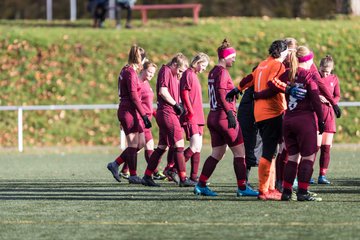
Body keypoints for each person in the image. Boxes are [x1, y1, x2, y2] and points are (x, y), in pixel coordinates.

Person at [226, 40, 307, 200]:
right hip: (272, 112)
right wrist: (289, 88)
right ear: (283, 52)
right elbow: (273, 82)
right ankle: (265, 190)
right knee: (269, 151)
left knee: (271, 152)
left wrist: (237, 88)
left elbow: (249, 78)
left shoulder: (263, 64)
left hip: (260, 113)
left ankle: (269, 187)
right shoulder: (277, 65)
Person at [193, 39, 258, 197]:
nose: (234, 59)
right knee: (240, 153)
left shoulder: (213, 71)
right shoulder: (222, 72)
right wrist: (230, 114)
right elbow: (221, 94)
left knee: (217, 153)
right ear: (225, 57)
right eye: (233, 56)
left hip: (214, 116)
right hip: (224, 117)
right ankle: (242, 188)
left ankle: (201, 184)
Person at [142, 53, 195, 187]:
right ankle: (183, 178)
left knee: (162, 147)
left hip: (167, 112)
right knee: (179, 145)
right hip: (167, 113)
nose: (181, 74)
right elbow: (163, 91)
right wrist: (175, 105)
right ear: (174, 65)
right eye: (180, 71)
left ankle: (147, 176)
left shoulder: (173, 74)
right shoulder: (165, 70)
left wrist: (179, 104)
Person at [280, 46, 324, 201]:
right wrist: (322, 120)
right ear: (308, 59)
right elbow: (316, 100)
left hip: (288, 119)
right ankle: (303, 192)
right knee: (308, 157)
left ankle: (286, 191)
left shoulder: (287, 73)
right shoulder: (308, 75)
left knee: (292, 157)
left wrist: (287, 89)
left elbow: (272, 83)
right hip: (304, 121)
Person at [107, 45, 152, 184]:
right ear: (140, 59)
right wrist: (144, 115)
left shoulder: (126, 69)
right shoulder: (130, 73)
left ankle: (115, 164)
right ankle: (133, 175)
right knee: (133, 144)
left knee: (141, 142)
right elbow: (134, 97)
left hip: (132, 110)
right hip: (128, 110)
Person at [119, 61, 166, 181]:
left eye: (153, 73)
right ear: (142, 69)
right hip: (140, 119)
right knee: (146, 145)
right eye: (149, 72)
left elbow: (148, 105)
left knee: (137, 146)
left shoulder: (146, 83)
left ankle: (123, 169)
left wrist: (156, 115)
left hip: (147, 119)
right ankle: (154, 172)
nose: (151, 75)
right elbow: (135, 102)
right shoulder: (137, 83)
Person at [180, 53, 210, 182]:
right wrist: (190, 111)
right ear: (197, 62)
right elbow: (184, 92)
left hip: (198, 116)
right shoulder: (188, 74)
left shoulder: (194, 75)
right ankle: (173, 169)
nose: (204, 69)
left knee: (198, 147)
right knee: (194, 146)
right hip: (192, 115)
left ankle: (193, 177)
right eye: (203, 65)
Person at [316, 55, 341, 184]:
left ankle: (322, 175)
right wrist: (318, 97)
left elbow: (337, 95)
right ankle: (307, 175)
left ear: (331, 69)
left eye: (327, 71)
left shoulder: (334, 79)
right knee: (314, 147)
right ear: (319, 68)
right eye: (323, 71)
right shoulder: (315, 78)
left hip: (329, 116)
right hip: (317, 115)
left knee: (326, 147)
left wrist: (332, 102)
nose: (325, 74)